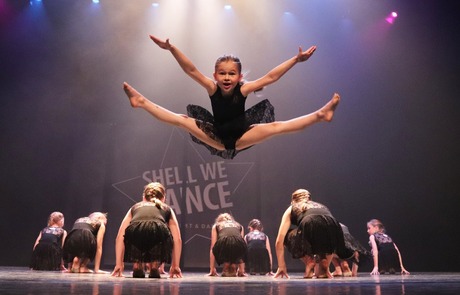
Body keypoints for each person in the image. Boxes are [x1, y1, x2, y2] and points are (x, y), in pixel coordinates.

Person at [123, 34, 340, 159]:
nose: (227, 77)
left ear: (239, 76)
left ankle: (321, 114)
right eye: (223, 73)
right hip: (216, 136)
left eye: (232, 74)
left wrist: (295, 60)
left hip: (242, 135)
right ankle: (141, 102)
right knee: (183, 120)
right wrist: (171, 48)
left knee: (277, 127)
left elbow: (271, 77)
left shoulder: (243, 90)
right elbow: (191, 70)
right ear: (215, 75)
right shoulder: (212, 88)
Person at [274, 189, 352, 279]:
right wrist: (326, 265)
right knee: (321, 274)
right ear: (310, 198)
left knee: (287, 234)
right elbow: (330, 240)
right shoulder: (321, 206)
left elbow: (279, 240)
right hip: (334, 225)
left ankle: (309, 260)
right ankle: (324, 267)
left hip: (310, 222)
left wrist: (281, 266)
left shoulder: (292, 207)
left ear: (293, 200)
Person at [111, 182, 182, 279]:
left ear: (143, 197)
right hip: (157, 231)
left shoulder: (135, 207)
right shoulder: (166, 208)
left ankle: (137, 265)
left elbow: (120, 236)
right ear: (163, 198)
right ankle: (154, 266)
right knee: (159, 231)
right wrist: (175, 266)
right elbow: (177, 239)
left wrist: (119, 264)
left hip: (136, 232)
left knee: (136, 230)